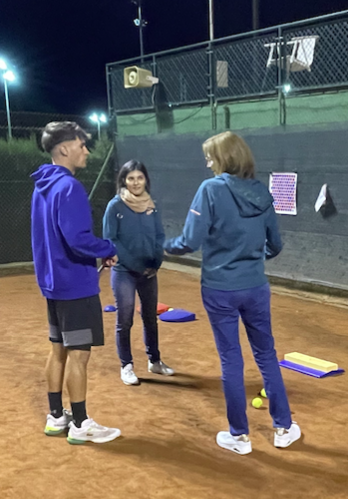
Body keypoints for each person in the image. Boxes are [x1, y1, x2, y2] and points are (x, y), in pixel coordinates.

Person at [164, 131, 300, 455]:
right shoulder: (262, 192)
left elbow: (189, 241)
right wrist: (251, 259)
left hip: (219, 288)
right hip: (255, 287)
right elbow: (275, 245)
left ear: (224, 158)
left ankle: (239, 436)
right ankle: (283, 428)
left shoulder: (210, 190)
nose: (208, 164)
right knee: (266, 355)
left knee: (231, 360)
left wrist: (160, 246)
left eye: (210, 157)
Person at [31, 121, 121, 444]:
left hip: (53, 284)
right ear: (64, 149)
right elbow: (78, 239)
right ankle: (81, 424)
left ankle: (57, 417)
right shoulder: (69, 187)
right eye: (82, 145)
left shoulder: (42, 186)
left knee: (58, 350)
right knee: (79, 355)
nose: (86, 151)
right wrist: (108, 249)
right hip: (75, 286)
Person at [103, 160, 174, 385]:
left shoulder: (152, 206)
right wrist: (135, 264)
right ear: (124, 180)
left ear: (145, 180)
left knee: (150, 318)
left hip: (149, 272)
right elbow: (111, 239)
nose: (135, 183)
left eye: (139, 178)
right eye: (131, 178)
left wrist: (156, 261)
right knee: (124, 320)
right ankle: (126, 365)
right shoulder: (115, 206)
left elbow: (159, 235)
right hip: (124, 272)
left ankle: (155, 361)